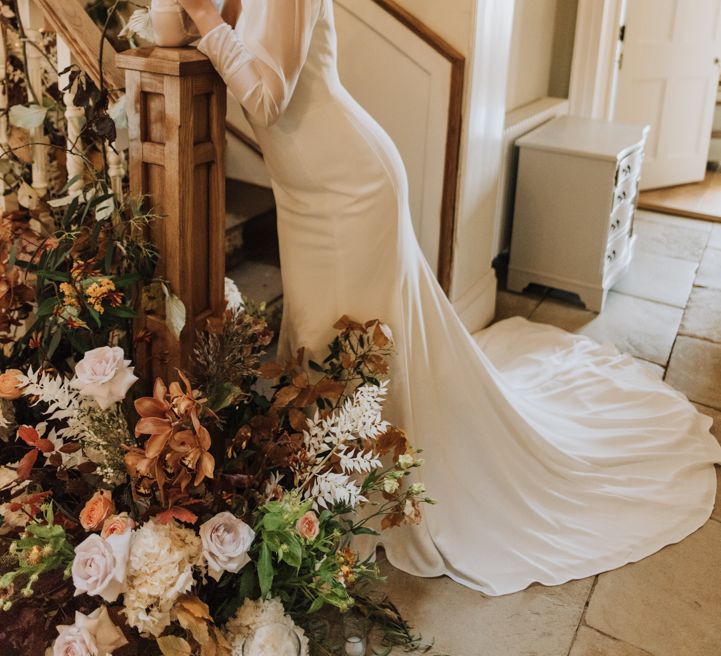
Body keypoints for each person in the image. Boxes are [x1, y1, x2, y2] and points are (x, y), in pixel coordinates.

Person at [171, 0, 721, 596]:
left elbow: (266, 100)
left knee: (344, 334)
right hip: (309, 189)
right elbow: (163, 28)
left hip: (347, 183)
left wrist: (207, 20)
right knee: (317, 329)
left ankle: (354, 482)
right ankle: (324, 474)